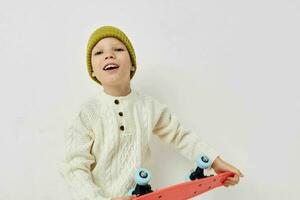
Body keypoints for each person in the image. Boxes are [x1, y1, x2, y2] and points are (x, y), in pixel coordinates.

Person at [59, 25, 244, 200]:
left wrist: (216, 162)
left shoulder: (149, 107)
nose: (109, 55)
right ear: (93, 72)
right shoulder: (88, 112)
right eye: (99, 52)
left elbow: (180, 136)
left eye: (118, 49)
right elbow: (74, 166)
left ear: (132, 64)